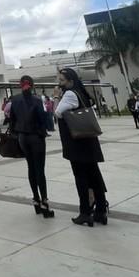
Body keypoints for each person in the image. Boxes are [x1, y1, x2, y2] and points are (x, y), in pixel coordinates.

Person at [56, 68, 108, 226]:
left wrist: (57, 97)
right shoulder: (81, 92)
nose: (59, 84)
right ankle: (100, 211)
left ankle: (85, 212)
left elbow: (58, 113)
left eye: (62, 81)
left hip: (77, 142)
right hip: (89, 139)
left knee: (81, 177)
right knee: (95, 176)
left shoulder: (70, 94)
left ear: (70, 81)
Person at [9, 76, 55, 218]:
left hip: (23, 137)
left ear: (20, 85)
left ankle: (36, 200)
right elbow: (43, 120)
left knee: (31, 168)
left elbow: (12, 120)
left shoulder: (15, 100)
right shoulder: (37, 100)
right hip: (36, 137)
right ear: (32, 85)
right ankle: (44, 203)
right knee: (40, 169)